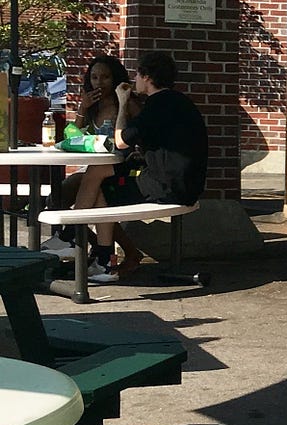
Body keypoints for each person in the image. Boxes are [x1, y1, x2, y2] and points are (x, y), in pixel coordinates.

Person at [71, 50, 208, 282]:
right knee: (98, 174)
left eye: (138, 74)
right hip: (186, 182)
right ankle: (85, 247)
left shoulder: (155, 105)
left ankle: (88, 249)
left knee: (102, 187)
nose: (135, 79)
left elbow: (121, 140)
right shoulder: (180, 101)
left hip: (168, 186)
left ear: (146, 77)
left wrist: (123, 103)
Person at [44, 54, 132, 247]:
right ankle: (79, 242)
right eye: (94, 77)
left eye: (105, 77)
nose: (99, 82)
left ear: (115, 78)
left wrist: (123, 103)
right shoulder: (92, 104)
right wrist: (82, 108)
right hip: (93, 166)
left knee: (97, 200)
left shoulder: (125, 103)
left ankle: (71, 239)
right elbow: (73, 137)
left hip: (119, 166)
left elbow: (134, 134)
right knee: (57, 198)